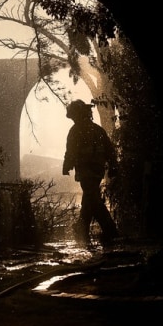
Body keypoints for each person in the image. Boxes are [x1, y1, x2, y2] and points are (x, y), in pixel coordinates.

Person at [62, 100, 119, 247]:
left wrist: (66, 166)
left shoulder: (75, 131)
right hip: (97, 171)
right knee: (89, 198)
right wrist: (113, 165)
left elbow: (71, 152)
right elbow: (110, 150)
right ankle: (82, 230)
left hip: (86, 172)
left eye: (74, 116)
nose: (73, 118)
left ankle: (110, 230)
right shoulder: (97, 130)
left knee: (93, 200)